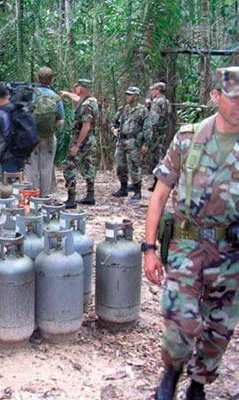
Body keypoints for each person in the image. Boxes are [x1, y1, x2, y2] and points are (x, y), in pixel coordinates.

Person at [143, 66, 239, 400]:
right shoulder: (188, 137)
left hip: (232, 254)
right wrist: (149, 248)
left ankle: (197, 385)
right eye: (233, 98)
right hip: (188, 245)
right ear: (216, 97)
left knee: (219, 328)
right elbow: (160, 193)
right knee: (180, 322)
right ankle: (171, 373)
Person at [24, 67, 65, 197]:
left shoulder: (31, 94)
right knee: (46, 168)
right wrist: (50, 126)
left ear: (37, 78)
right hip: (48, 137)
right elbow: (61, 121)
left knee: (31, 168)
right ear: (52, 80)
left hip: (31, 137)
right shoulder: (56, 98)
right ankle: (45, 197)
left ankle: (33, 196)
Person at [60, 79, 99, 208]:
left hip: (83, 141)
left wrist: (77, 145)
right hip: (90, 140)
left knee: (69, 167)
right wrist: (67, 94)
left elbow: (85, 127)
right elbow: (77, 98)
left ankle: (71, 199)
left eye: (77, 87)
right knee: (88, 166)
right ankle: (90, 195)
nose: (75, 89)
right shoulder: (91, 101)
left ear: (81, 88)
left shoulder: (85, 106)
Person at [111, 86, 151, 201]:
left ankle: (137, 191)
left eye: (130, 95)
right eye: (127, 94)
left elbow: (147, 128)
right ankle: (123, 188)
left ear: (136, 97)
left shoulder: (142, 110)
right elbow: (113, 122)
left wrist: (146, 144)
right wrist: (114, 129)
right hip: (121, 141)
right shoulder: (122, 110)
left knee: (134, 166)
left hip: (134, 142)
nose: (128, 97)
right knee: (120, 166)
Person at [0, 83, 25, 174]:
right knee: (19, 179)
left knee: (9, 182)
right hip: (21, 150)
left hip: (7, 153)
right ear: (7, 93)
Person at [147, 82, 171, 191]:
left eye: (153, 90)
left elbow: (154, 120)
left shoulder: (157, 102)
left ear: (157, 90)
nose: (152, 92)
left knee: (156, 158)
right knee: (161, 156)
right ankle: (158, 182)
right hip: (163, 132)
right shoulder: (166, 102)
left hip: (156, 133)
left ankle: (158, 182)